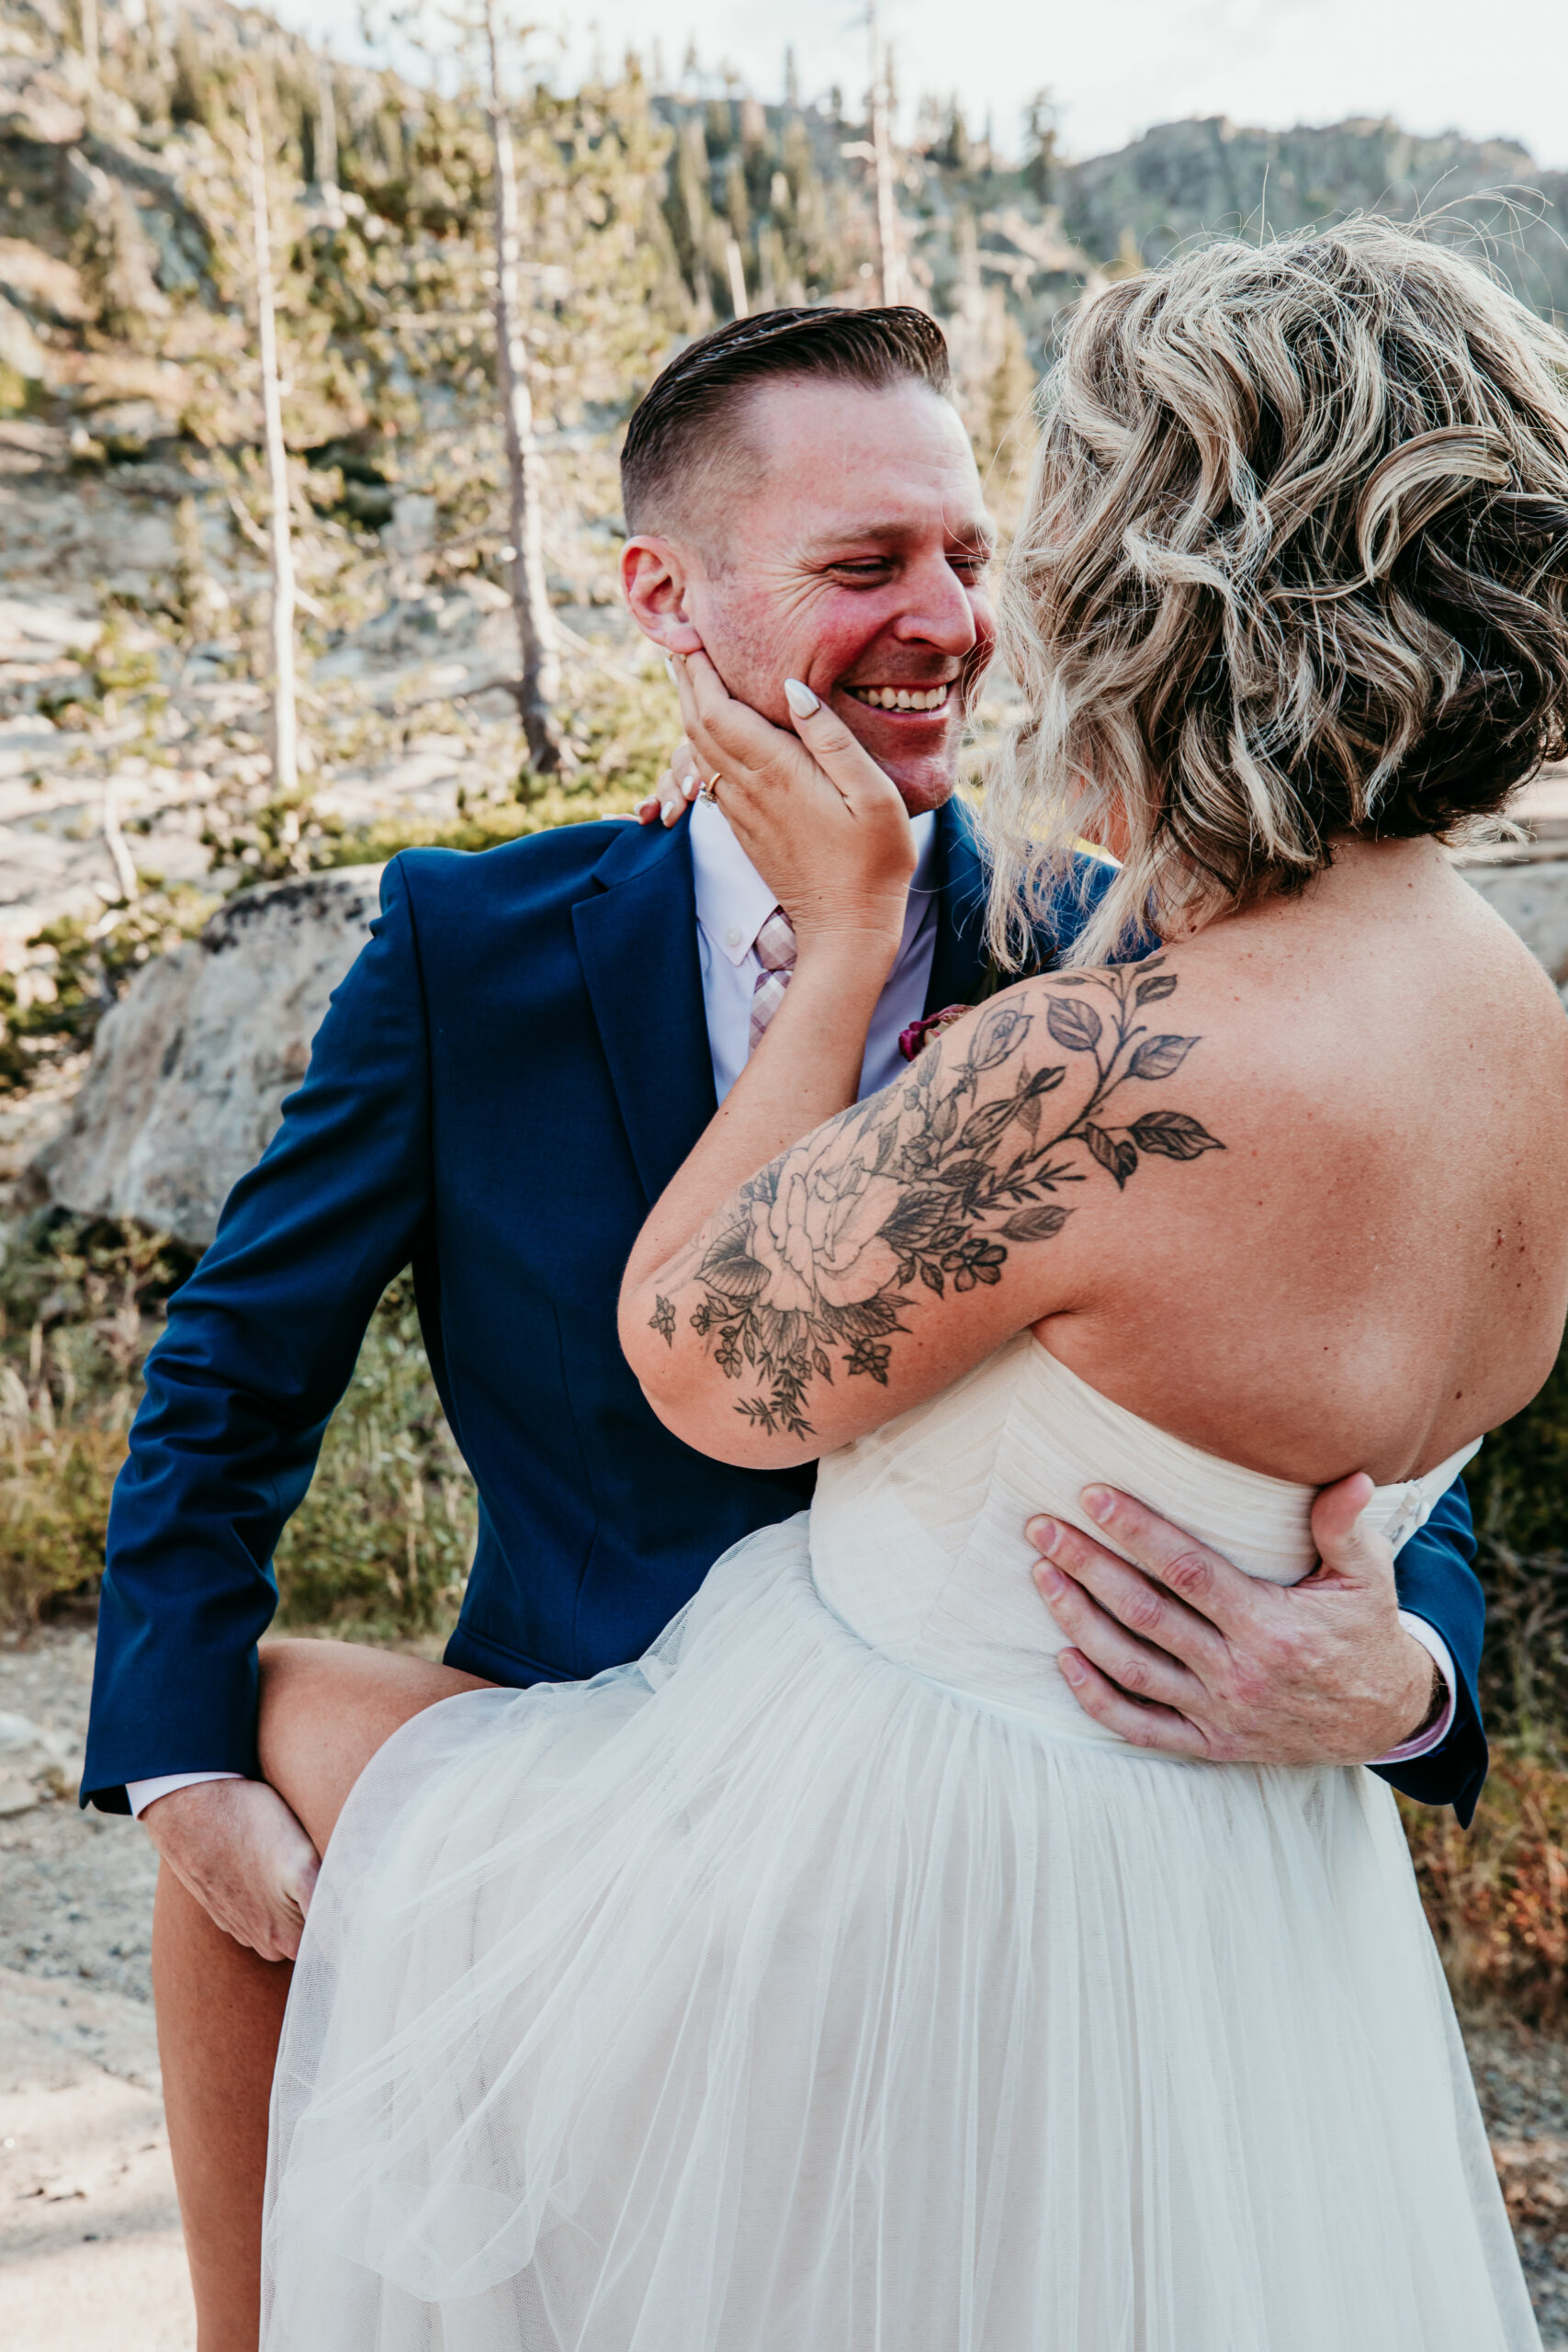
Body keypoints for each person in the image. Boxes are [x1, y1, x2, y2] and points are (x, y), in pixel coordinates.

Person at [85, 303, 1485, 2346]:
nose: (944, 621)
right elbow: (230, 1367)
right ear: (664, 593)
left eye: (970, 557)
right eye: (863, 567)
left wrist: (1405, 1673)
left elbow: (1344, 1371)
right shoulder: (467, 948)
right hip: (572, 1853)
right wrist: (178, 1756)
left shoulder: (1121, 956)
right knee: (260, 1759)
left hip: (1002, 1901)